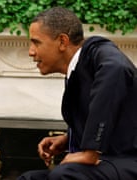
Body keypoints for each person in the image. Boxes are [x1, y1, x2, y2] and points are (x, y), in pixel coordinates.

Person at [18, 7, 137, 180]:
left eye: (36, 42)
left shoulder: (99, 52)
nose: (31, 51)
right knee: (29, 178)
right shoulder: (76, 70)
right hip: (110, 161)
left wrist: (90, 151)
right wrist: (69, 138)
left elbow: (116, 68)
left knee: (64, 175)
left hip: (128, 160)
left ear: (62, 41)